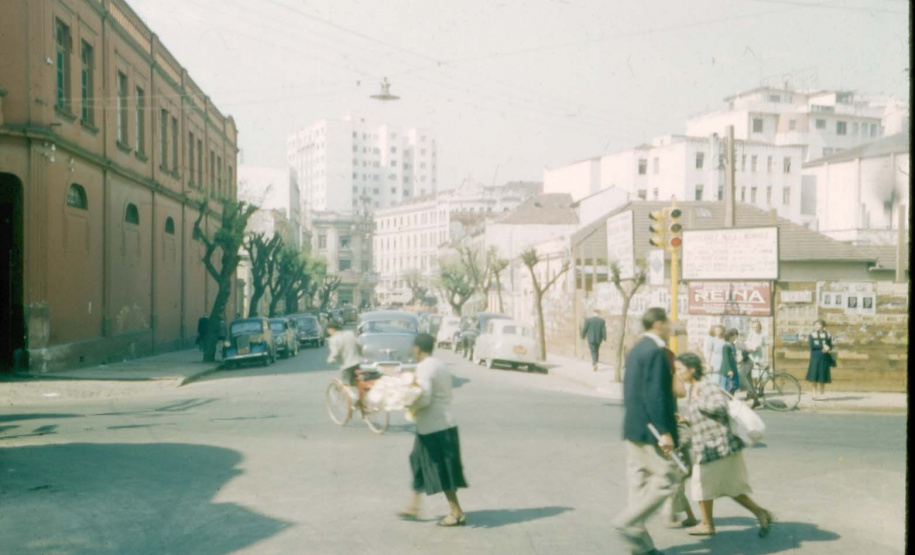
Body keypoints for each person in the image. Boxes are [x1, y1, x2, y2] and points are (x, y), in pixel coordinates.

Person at [673, 352, 774, 538]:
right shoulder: (696, 388)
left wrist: (699, 400)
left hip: (717, 446)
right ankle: (758, 513)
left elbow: (719, 408)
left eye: (680, 369)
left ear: (692, 369)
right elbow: (706, 417)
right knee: (725, 487)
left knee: (704, 485)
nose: (677, 373)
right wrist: (687, 419)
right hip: (711, 446)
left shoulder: (705, 387)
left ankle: (708, 524)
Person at [612, 307, 679, 555]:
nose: (671, 326)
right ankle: (628, 523)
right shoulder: (656, 352)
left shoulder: (637, 349)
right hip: (651, 430)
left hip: (633, 427)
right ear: (659, 323)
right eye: (668, 322)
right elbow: (657, 396)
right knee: (667, 480)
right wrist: (664, 431)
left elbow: (630, 392)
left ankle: (641, 547)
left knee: (638, 485)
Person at [398, 333, 468, 527]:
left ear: (418, 348)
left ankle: (456, 512)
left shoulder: (424, 367)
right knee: (417, 460)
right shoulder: (440, 365)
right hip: (439, 423)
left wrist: (408, 403)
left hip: (435, 427)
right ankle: (413, 505)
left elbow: (425, 396)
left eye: (414, 347)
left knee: (441, 468)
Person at [662, 346, 698, 529]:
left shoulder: (668, 377)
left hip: (672, 431)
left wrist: (672, 372)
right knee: (672, 474)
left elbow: (681, 393)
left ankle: (673, 511)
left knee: (674, 474)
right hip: (664, 432)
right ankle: (688, 515)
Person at [326, 319, 362, 386]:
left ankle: (351, 396)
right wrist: (360, 355)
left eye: (328, 329)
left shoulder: (333, 339)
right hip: (357, 363)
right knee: (358, 383)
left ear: (331, 329)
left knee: (346, 385)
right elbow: (359, 344)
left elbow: (335, 352)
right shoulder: (350, 333)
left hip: (347, 366)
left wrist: (330, 359)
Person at [805, 319, 835, 401]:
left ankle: (822, 393)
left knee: (823, 375)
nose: (816, 326)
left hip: (824, 357)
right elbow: (812, 346)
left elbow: (830, 345)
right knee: (814, 375)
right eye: (815, 325)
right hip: (815, 357)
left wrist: (828, 348)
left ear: (823, 326)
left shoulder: (827, 335)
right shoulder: (812, 334)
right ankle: (814, 393)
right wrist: (823, 347)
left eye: (818, 325)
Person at [740, 321, 766, 409]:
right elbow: (747, 343)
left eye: (757, 327)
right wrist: (751, 347)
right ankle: (752, 392)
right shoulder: (751, 334)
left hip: (760, 355)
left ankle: (760, 390)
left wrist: (768, 357)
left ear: (760, 327)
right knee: (752, 375)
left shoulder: (763, 335)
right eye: (754, 327)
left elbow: (767, 345)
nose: (756, 328)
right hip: (752, 355)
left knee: (761, 374)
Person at [720, 329, 740, 393]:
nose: (735, 338)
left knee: (733, 387)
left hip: (733, 366)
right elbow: (726, 359)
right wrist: (729, 370)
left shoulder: (732, 345)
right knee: (728, 387)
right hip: (728, 368)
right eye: (734, 336)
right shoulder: (726, 346)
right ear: (730, 337)